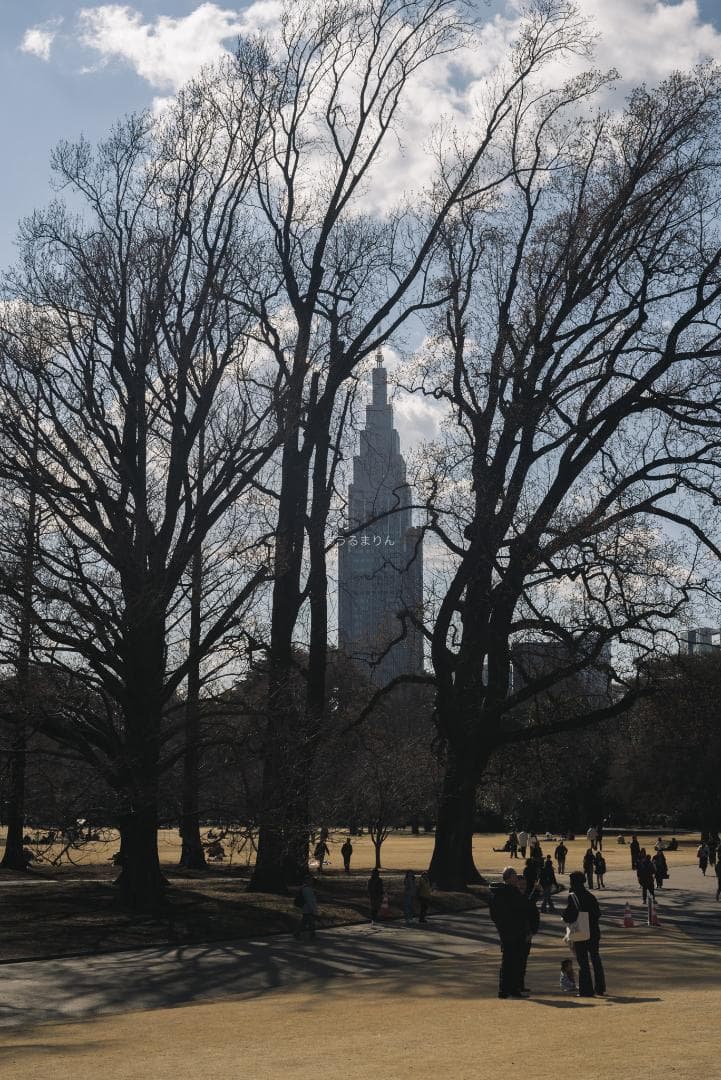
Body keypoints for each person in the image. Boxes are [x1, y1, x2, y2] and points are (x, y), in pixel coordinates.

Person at [488, 866, 532, 999]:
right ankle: (512, 989)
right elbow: (523, 907)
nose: (516, 878)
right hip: (515, 930)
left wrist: (501, 925)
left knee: (507, 961)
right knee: (514, 961)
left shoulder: (497, 893)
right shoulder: (511, 892)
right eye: (514, 876)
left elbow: (494, 914)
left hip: (505, 931)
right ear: (509, 878)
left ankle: (504, 989)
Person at [562, 870, 606, 998]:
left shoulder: (573, 896)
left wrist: (566, 916)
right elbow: (597, 913)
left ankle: (586, 989)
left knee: (583, 961)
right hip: (594, 930)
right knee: (595, 958)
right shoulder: (590, 896)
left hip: (581, 930)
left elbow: (569, 916)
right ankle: (600, 987)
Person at [294, 874, 319, 940]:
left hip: (306, 908)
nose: (312, 881)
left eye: (312, 880)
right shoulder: (306, 889)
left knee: (304, 922)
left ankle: (297, 933)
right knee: (311, 923)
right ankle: (312, 936)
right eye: (310, 880)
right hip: (308, 908)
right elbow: (310, 900)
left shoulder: (307, 888)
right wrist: (314, 910)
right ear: (306, 880)